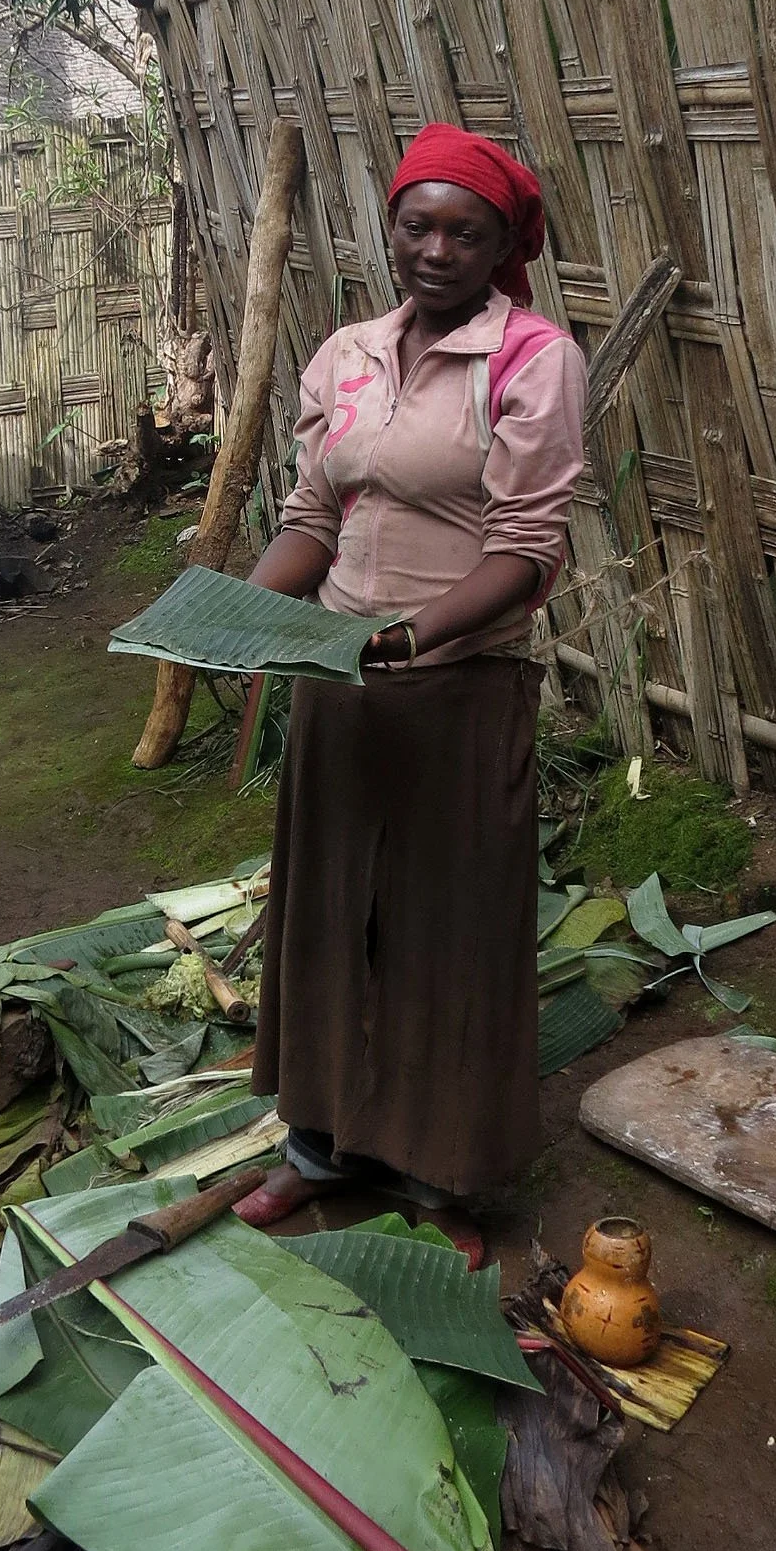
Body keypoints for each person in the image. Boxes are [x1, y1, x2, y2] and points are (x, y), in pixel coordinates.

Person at [235, 124, 588, 1261]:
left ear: (501, 244)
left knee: (448, 936)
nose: (435, 249)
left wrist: (412, 633)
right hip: (341, 693)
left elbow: (530, 550)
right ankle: (317, 1151)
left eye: (463, 231)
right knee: (332, 923)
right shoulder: (344, 354)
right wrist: (237, 615)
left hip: (457, 692)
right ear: (388, 226)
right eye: (416, 224)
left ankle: (442, 1177)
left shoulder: (533, 360)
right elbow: (311, 521)